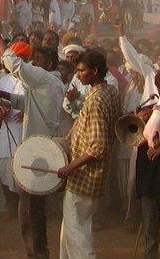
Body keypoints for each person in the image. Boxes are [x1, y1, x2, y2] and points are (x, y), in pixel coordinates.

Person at [0, 21, 64, 259]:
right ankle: (38, 251)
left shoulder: (45, 79)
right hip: (40, 147)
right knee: (33, 208)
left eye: (37, 62)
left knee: (29, 209)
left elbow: (12, 63)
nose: (33, 65)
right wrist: (0, 94)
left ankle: (36, 253)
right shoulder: (51, 83)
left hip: (37, 148)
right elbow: (25, 103)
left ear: (47, 64)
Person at [56, 49, 122, 259]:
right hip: (90, 174)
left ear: (94, 71)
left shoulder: (95, 101)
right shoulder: (109, 91)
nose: (78, 73)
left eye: (82, 70)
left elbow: (98, 147)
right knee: (70, 227)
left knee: (78, 233)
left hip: (84, 175)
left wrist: (70, 166)